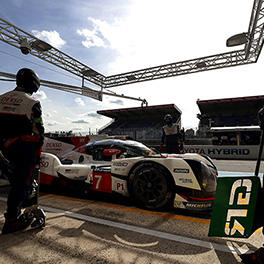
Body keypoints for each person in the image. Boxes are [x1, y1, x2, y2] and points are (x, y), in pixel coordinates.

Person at [0, 68, 45, 234]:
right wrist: (37, 156)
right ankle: (11, 220)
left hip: (1, 150)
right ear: (33, 84)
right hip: (20, 152)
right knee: (20, 185)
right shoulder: (32, 103)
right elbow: (39, 132)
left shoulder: (1, 98)